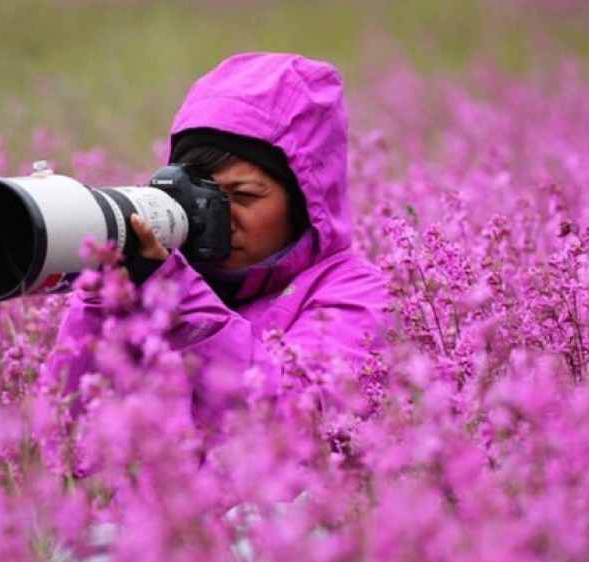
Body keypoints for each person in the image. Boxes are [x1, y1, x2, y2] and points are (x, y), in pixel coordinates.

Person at [49, 52, 389, 431]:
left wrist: (178, 299)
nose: (219, 218)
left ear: (305, 202)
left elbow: (296, 425)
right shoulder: (157, 280)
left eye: (243, 196)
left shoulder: (354, 293)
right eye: (202, 196)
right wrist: (105, 298)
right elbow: (71, 442)